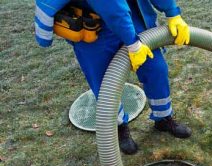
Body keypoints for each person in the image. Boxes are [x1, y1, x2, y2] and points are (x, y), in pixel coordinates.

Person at [34, 0, 192, 155]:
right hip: (91, 23)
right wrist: (133, 44)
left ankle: (163, 118)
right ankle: (120, 126)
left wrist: (172, 12)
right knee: (105, 84)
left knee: (156, 69)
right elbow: (111, 6)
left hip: (132, 13)